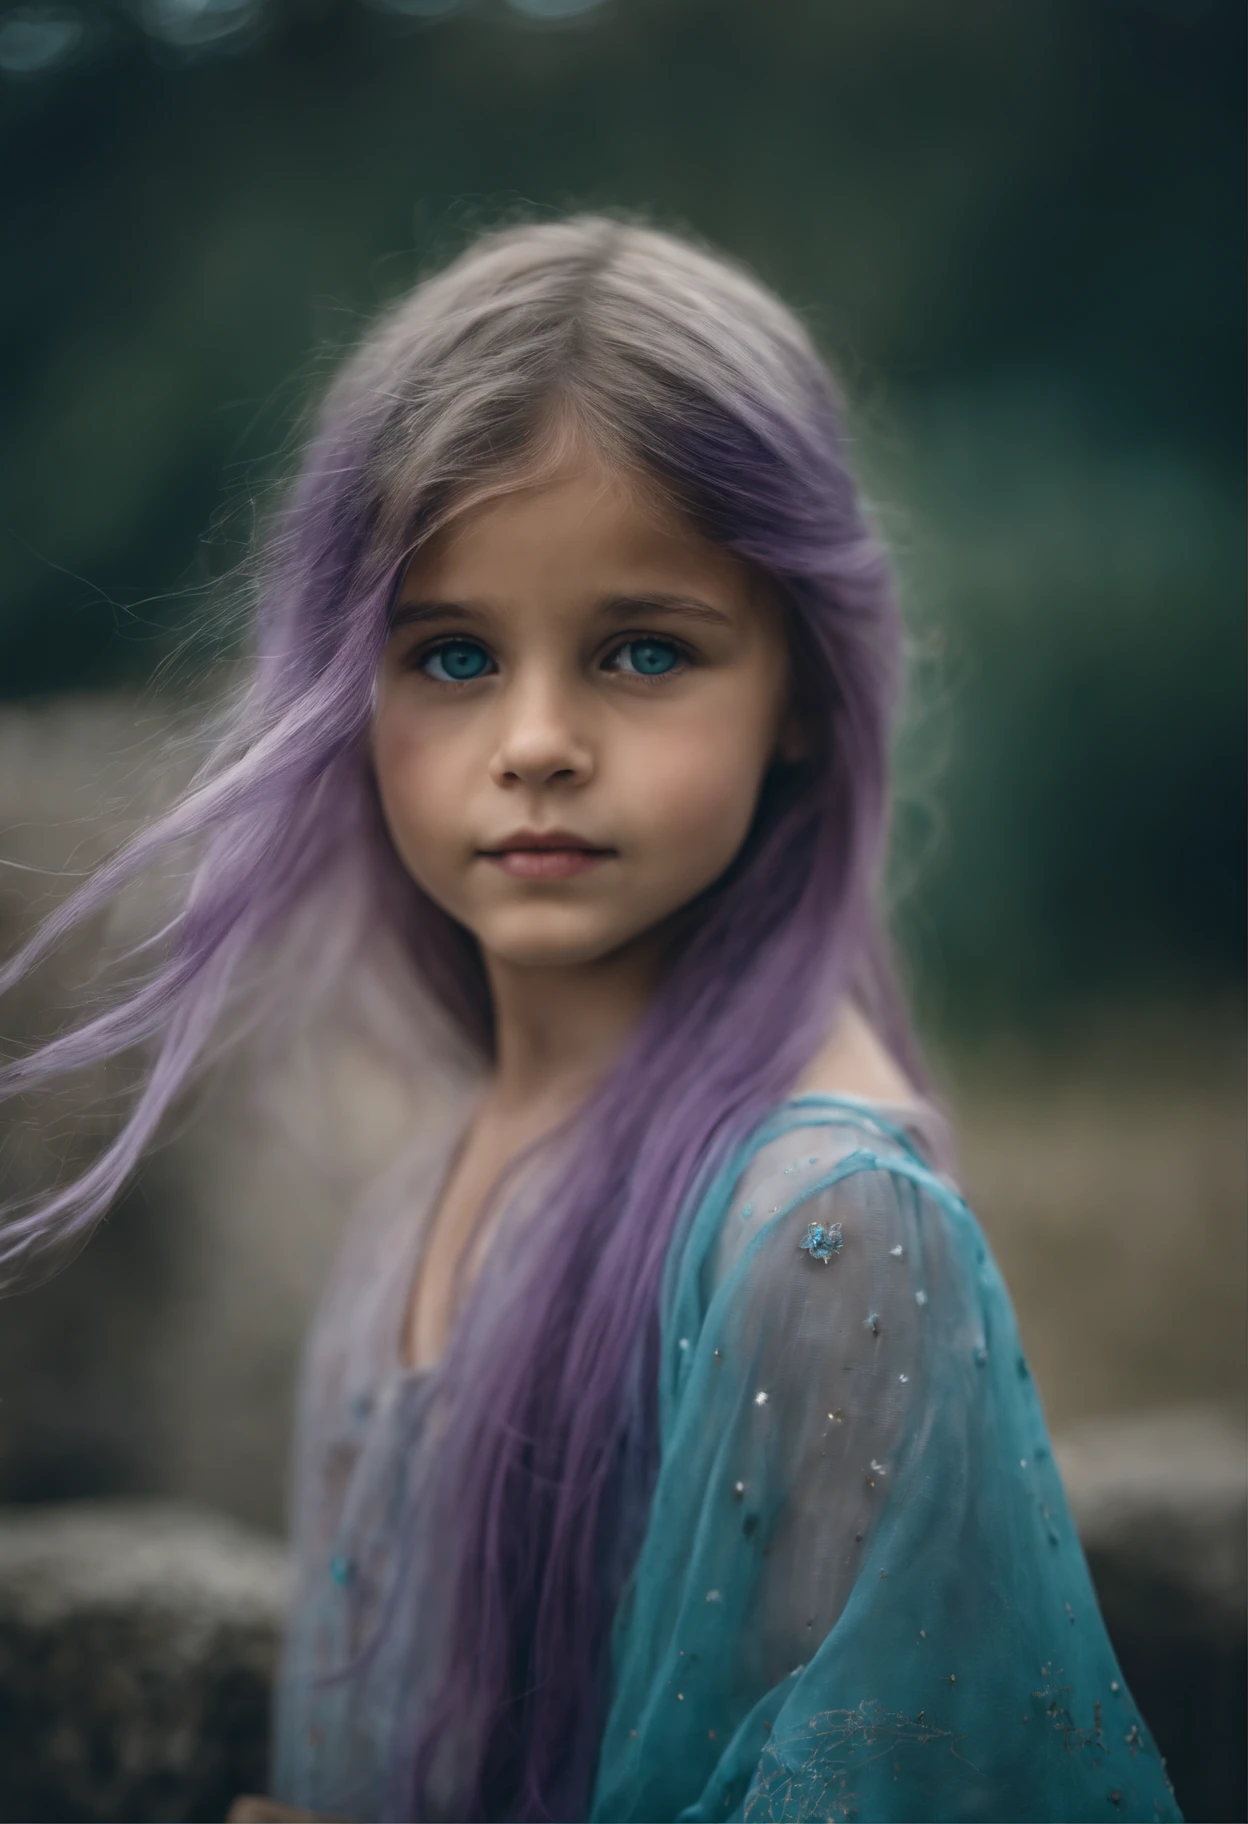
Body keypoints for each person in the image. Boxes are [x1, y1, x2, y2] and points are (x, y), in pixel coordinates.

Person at [1, 218, 1179, 1824]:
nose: (538, 740)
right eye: (455, 654)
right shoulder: (434, 1182)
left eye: (643, 651)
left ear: (807, 703)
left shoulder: (828, 1231)